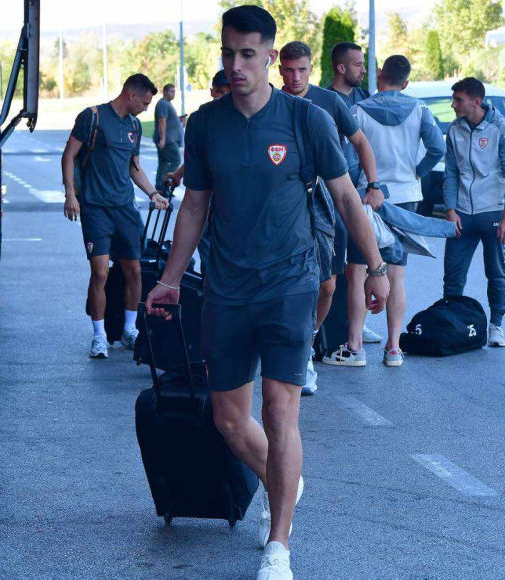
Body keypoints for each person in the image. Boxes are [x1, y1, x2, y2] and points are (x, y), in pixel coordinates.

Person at [145, 7, 390, 579]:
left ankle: (279, 546)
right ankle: (285, 480)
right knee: (230, 421)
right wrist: (170, 279)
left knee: (280, 413)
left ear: (270, 58)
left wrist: (377, 267)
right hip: (227, 289)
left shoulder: (306, 120)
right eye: (228, 54)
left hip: (290, 285)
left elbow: (347, 199)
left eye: (248, 54)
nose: (236, 65)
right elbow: (195, 206)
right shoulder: (206, 125)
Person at [277, 40, 381, 394]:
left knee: (328, 285)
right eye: (289, 70)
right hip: (288, 208)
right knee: (288, 286)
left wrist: (373, 184)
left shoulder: (330, 101)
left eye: (302, 70)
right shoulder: (271, 103)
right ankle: (294, 354)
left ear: (311, 69)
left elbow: (361, 142)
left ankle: (308, 342)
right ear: (279, 69)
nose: (295, 77)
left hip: (330, 203)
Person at [329, 55, 445, 368]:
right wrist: (417, 171)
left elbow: (348, 157)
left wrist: (363, 184)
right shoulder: (420, 109)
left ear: (380, 75)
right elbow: (438, 148)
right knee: (396, 273)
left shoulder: (358, 109)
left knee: (357, 272)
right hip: (405, 197)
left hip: (367, 197)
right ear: (406, 82)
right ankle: (393, 348)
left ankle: (355, 347)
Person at [61, 74, 169, 359]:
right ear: (131, 95)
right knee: (100, 273)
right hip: (95, 208)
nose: (146, 109)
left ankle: (129, 330)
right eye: (144, 103)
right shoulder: (92, 117)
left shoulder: (134, 126)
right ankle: (99, 337)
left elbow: (134, 167)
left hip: (125, 209)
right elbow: (69, 155)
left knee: (134, 271)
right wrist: (70, 195)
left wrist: (153, 193)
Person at [441, 77, 505, 348]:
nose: (453, 105)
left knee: (496, 272)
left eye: (458, 100)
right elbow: (451, 172)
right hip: (462, 213)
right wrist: (450, 210)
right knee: (453, 274)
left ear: (476, 101)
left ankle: (496, 325)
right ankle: (451, 322)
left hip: (493, 212)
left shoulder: (500, 127)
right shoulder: (454, 129)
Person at [326, 41, 384, 346]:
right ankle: (334, 330)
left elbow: (368, 143)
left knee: (361, 264)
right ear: (341, 68)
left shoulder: (366, 100)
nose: (364, 69)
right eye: (358, 64)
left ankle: (357, 325)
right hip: (334, 192)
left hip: (362, 191)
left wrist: (373, 184)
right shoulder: (324, 101)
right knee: (337, 267)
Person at [164, 70, 232, 274]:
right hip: (207, 202)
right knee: (209, 259)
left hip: (232, 204)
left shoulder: (239, 119)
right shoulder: (204, 119)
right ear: (212, 91)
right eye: (219, 91)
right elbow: (200, 157)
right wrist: (179, 174)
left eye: (227, 92)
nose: (223, 96)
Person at [154, 83, 184, 189]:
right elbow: (162, 121)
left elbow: (168, 119)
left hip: (168, 139)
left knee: (164, 162)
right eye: (171, 91)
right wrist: (163, 138)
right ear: (165, 92)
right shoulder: (163, 103)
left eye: (174, 91)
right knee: (176, 159)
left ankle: (160, 187)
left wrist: (178, 120)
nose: (173, 93)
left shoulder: (167, 103)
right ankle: (165, 182)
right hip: (167, 140)